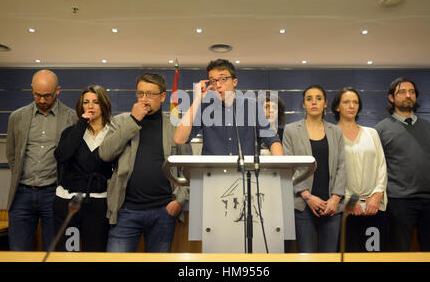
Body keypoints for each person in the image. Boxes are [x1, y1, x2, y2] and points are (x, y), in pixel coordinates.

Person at [99, 72, 192, 252]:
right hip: (125, 211)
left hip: (163, 211)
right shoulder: (121, 121)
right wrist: (133, 120)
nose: (144, 99)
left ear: (163, 96)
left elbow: (188, 167)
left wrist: (179, 200)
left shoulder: (174, 125)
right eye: (140, 93)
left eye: (150, 94)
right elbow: (105, 153)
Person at [5, 69, 77, 251]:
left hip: (54, 193)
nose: (42, 100)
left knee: (52, 252)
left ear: (58, 91)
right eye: (38, 95)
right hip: (21, 193)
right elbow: (12, 154)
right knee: (18, 253)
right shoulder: (17, 117)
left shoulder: (72, 118)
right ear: (32, 90)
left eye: (47, 96)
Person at [375, 77, 430, 251]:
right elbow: (378, 168)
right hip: (399, 201)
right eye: (402, 92)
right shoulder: (381, 130)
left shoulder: (429, 127)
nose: (408, 95)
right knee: (398, 253)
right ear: (391, 98)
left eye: (412, 92)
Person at [282, 85, 345, 253]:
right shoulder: (291, 130)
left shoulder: (336, 131)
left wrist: (335, 199)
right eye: (309, 99)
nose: (314, 102)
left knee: (329, 256)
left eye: (318, 98)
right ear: (303, 104)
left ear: (325, 103)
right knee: (306, 255)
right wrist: (307, 196)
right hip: (303, 205)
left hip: (332, 206)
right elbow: (289, 167)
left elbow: (341, 166)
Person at [174, 59, 283, 156]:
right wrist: (197, 99)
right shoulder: (205, 106)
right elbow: (180, 139)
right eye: (213, 81)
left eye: (223, 79)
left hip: (247, 174)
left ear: (234, 82)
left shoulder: (251, 106)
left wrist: (280, 168)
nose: (218, 85)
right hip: (212, 174)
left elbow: (273, 141)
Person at [53, 85, 114, 252]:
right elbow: (61, 156)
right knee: (68, 252)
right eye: (86, 102)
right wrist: (81, 124)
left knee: (94, 252)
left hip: (98, 203)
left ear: (104, 105)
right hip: (68, 202)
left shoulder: (113, 133)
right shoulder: (72, 132)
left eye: (96, 102)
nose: (90, 106)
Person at [331, 87, 387, 252]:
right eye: (346, 102)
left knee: (374, 253)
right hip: (347, 208)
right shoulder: (332, 135)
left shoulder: (372, 133)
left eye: (355, 102)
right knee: (350, 253)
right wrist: (351, 200)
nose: (352, 106)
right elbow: (332, 173)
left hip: (374, 206)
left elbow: (381, 166)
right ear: (337, 107)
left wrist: (377, 195)